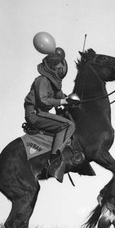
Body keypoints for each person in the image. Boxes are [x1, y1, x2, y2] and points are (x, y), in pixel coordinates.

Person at [24, 50, 78, 182]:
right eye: (59, 68)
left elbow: (61, 97)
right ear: (52, 68)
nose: (61, 70)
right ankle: (54, 161)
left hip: (42, 113)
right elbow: (43, 100)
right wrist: (64, 101)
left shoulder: (54, 83)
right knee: (68, 125)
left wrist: (71, 99)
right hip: (35, 114)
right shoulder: (42, 80)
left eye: (62, 67)